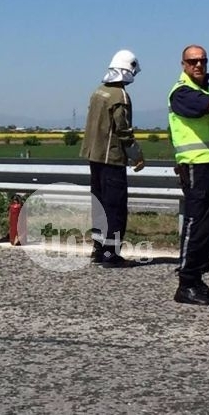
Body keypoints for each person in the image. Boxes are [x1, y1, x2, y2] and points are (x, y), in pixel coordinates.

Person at [169, 45, 209, 306]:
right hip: (195, 167)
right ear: (183, 64)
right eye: (192, 61)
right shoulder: (181, 93)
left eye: (202, 60)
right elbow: (207, 105)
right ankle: (186, 283)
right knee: (195, 223)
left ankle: (198, 279)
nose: (198, 65)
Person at [80, 49, 145, 268]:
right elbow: (123, 130)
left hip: (93, 156)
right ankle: (111, 253)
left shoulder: (97, 92)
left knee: (98, 203)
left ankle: (98, 250)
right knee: (115, 206)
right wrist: (136, 155)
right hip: (112, 158)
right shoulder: (121, 96)